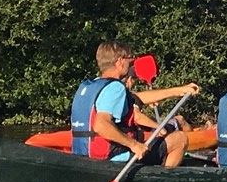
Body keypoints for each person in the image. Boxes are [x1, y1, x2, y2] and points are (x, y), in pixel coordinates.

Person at [69, 40, 195, 169]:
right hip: (114, 159)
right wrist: (134, 145)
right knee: (180, 139)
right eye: (130, 61)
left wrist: (179, 90)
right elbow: (101, 125)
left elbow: (138, 97)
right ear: (120, 61)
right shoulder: (115, 88)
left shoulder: (94, 85)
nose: (131, 65)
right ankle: (161, 181)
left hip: (83, 155)